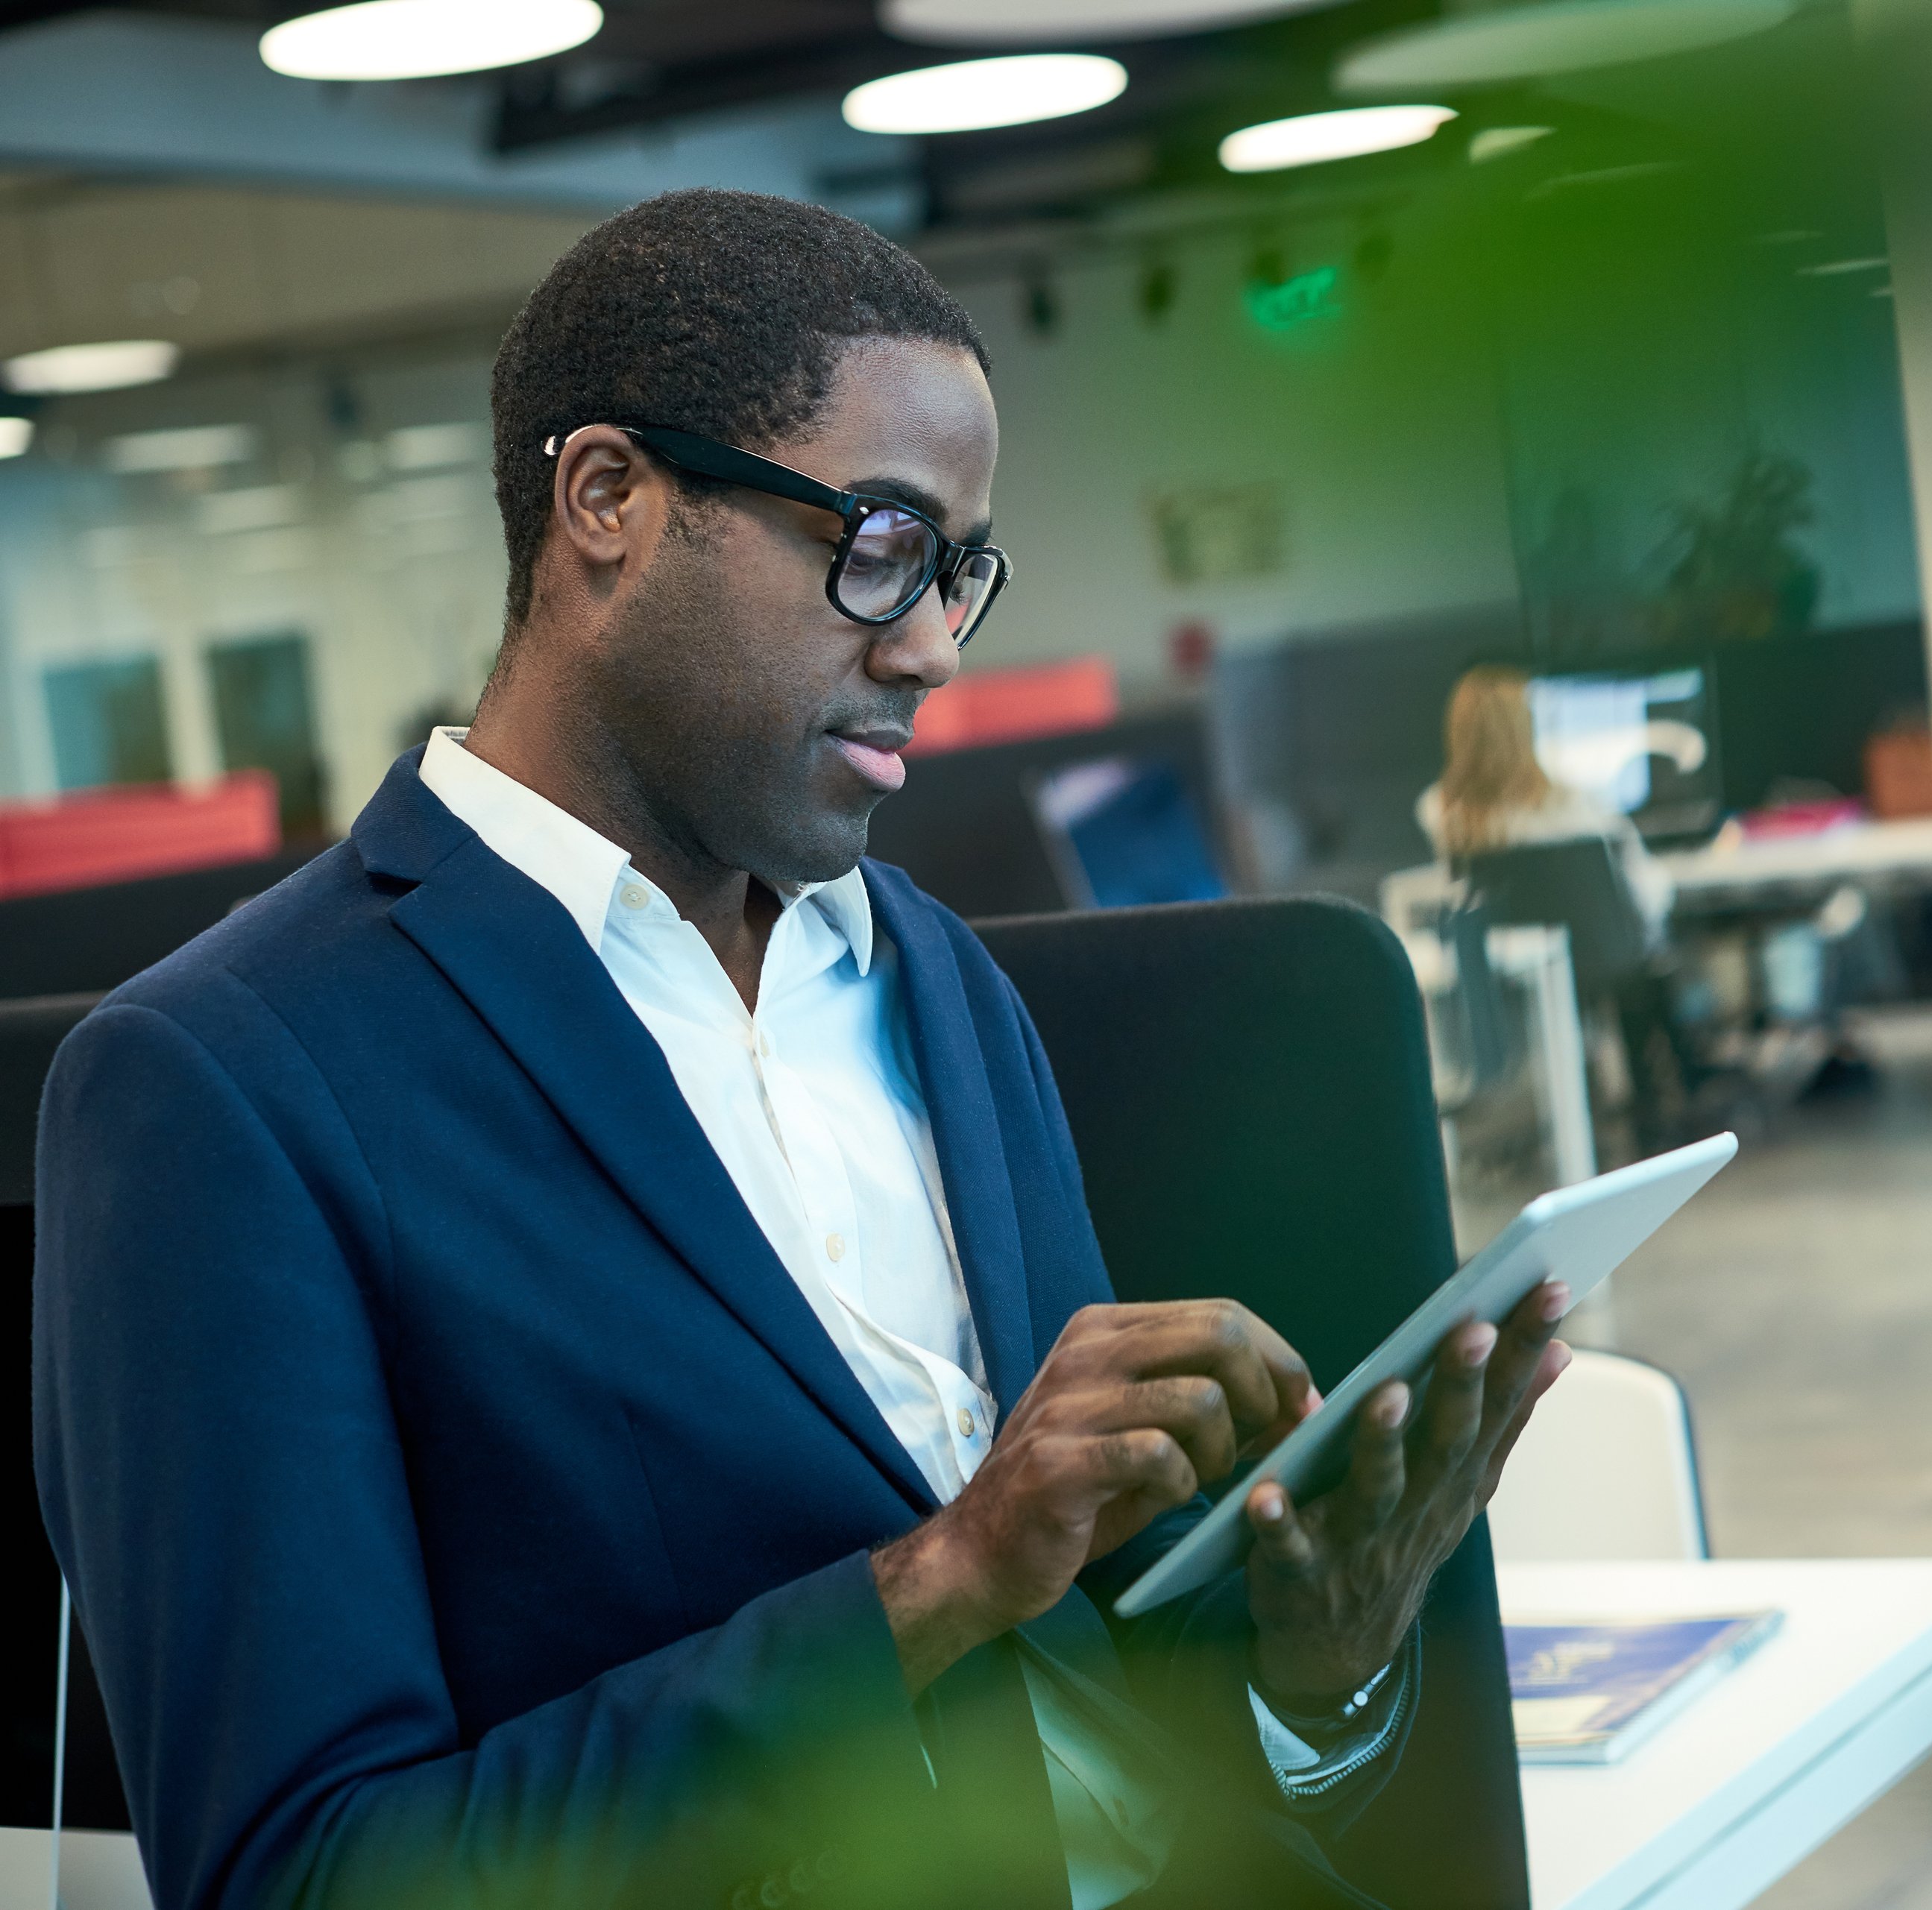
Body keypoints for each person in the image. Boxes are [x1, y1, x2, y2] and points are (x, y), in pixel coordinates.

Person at [33, 190, 1568, 1910]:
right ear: (607, 501)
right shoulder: (223, 1085)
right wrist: (934, 1580)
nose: (927, 645)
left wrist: (1316, 1657)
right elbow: (303, 1877)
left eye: (957, 570)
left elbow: (1092, 1680)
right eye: (878, 541)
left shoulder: (928, 975)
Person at [1415, 665, 1673, 934]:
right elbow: (1650, 897)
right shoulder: (1581, 806)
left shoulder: (1439, 810)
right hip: (1608, 964)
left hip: (1510, 969)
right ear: (1527, 724)